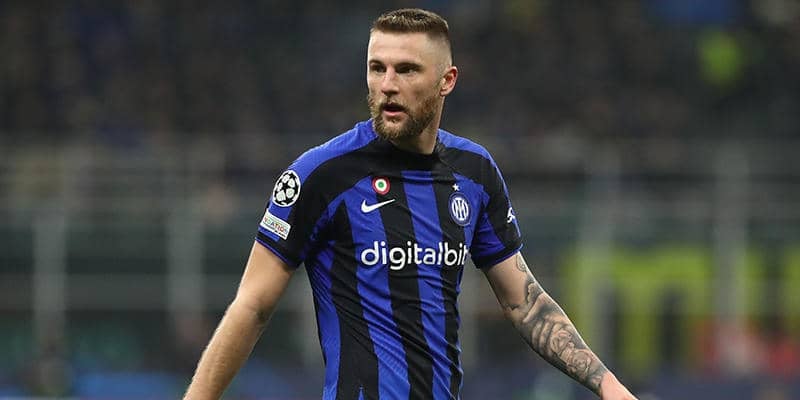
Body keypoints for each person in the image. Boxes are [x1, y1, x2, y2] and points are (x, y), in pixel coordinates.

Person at [184, 8, 637, 400]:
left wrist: (605, 383)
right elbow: (252, 306)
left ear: (446, 81)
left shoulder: (474, 172)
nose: (387, 85)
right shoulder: (321, 174)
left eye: (406, 70)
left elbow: (525, 303)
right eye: (376, 68)